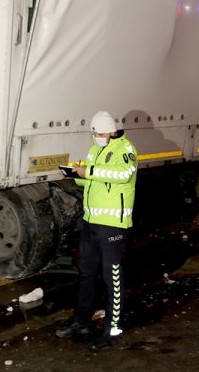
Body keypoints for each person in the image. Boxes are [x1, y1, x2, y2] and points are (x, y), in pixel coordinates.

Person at [55, 111, 139, 351]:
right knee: (86, 273)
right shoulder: (95, 149)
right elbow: (90, 180)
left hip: (113, 225)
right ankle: (81, 322)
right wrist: (77, 172)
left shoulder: (126, 150)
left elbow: (123, 175)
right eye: (95, 133)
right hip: (91, 221)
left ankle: (112, 329)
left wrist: (88, 172)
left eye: (101, 133)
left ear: (113, 131)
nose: (98, 137)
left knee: (111, 276)